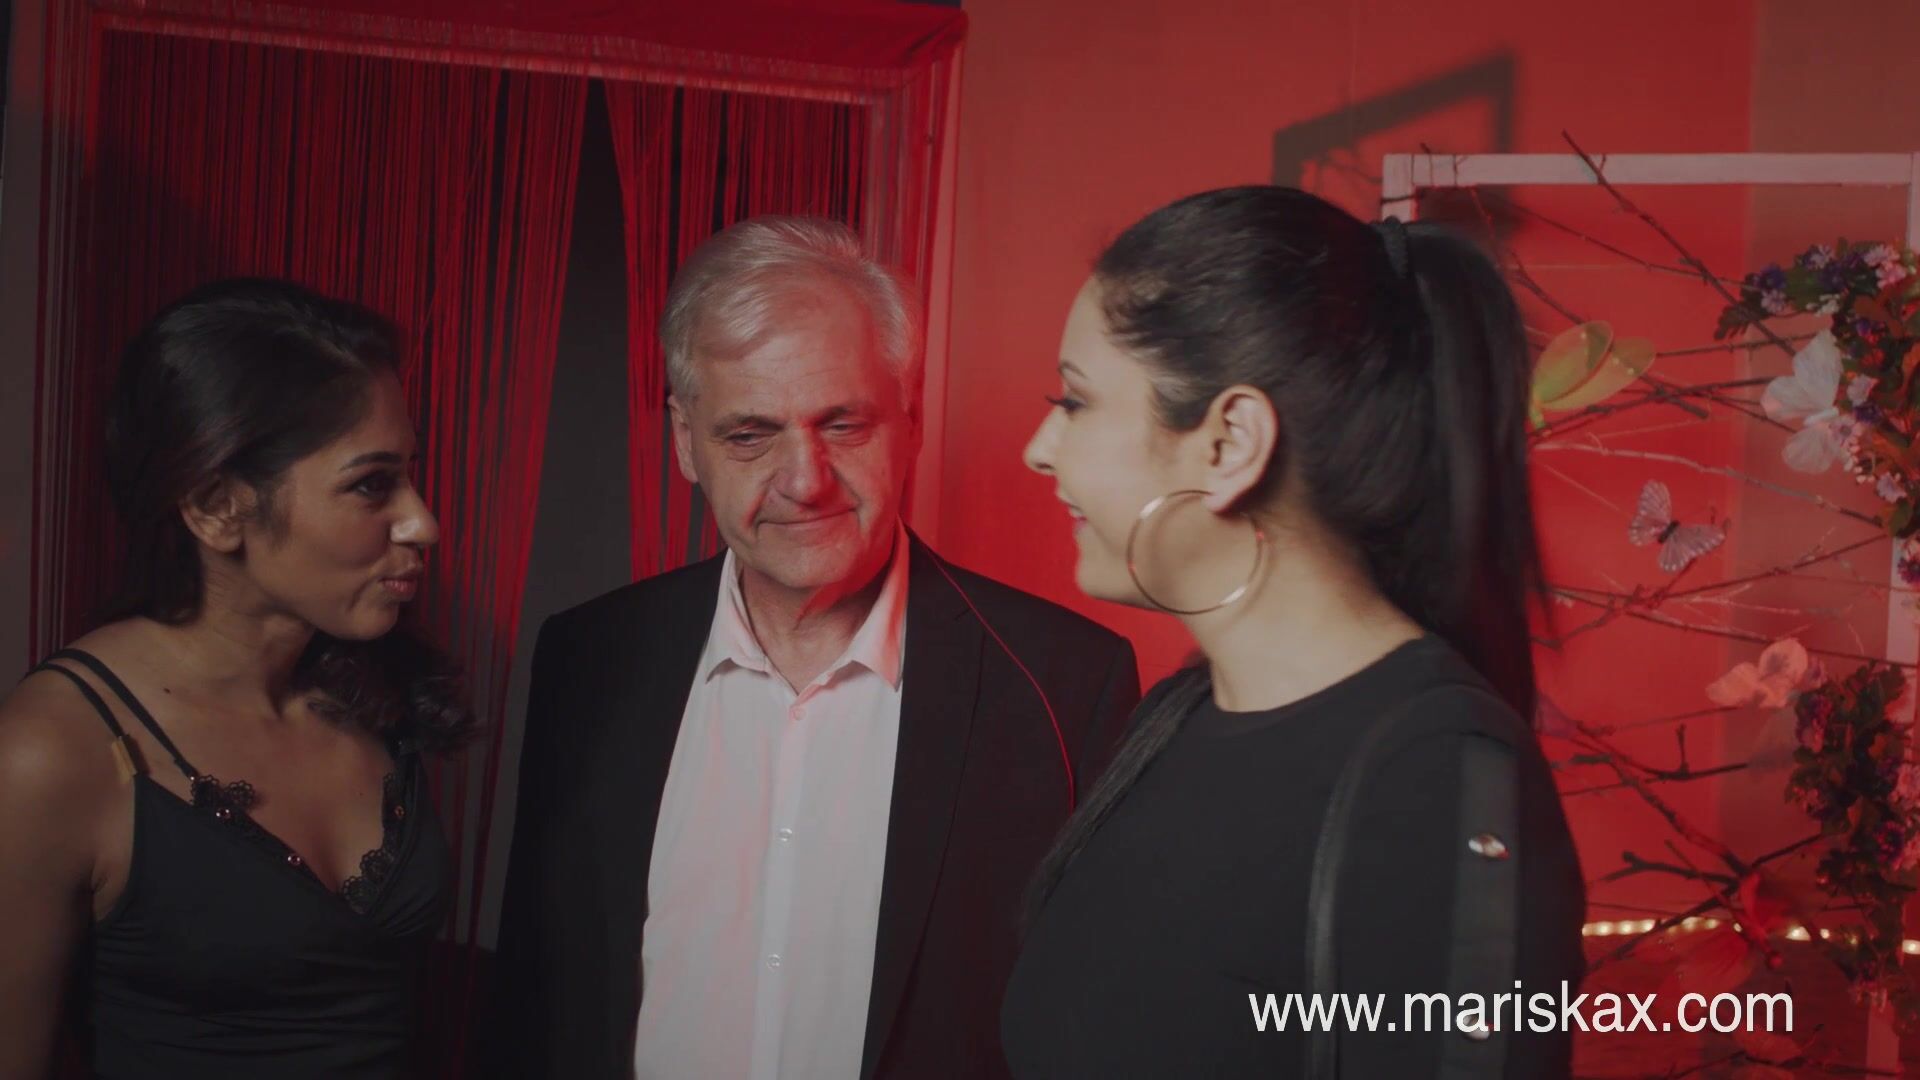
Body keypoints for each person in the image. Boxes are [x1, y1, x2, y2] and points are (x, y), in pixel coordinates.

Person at [490, 216, 1141, 1080]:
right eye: (749, 435)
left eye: (843, 424)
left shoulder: (1069, 684)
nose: (805, 482)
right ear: (686, 442)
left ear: (910, 420)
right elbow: (533, 1002)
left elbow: (1101, 1022)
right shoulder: (586, 660)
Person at [1002, 186, 1587, 1078]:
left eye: (1075, 401)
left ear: (1229, 443)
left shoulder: (1435, 775)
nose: (1040, 446)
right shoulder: (1172, 722)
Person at [0, 279, 466, 1079]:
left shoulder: (366, 695)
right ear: (217, 507)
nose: (423, 521)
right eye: (371, 484)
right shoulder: (53, 750)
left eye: (410, 476)